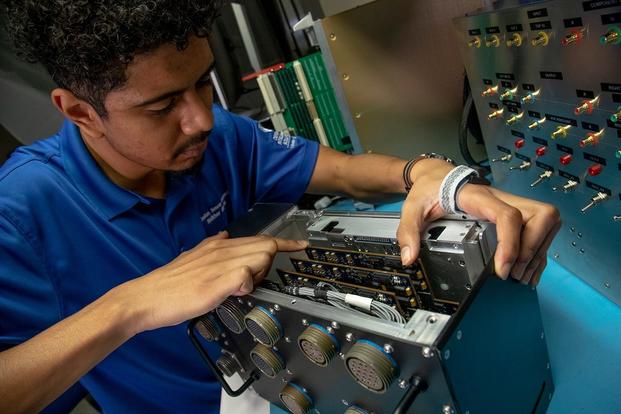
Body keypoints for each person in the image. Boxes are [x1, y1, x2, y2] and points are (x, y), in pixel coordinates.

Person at [0, 1, 560, 413]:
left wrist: (430, 176)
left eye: (202, 84)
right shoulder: (22, 213)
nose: (201, 118)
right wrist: (132, 305)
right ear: (80, 112)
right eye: (163, 105)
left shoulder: (220, 137)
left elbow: (342, 171)